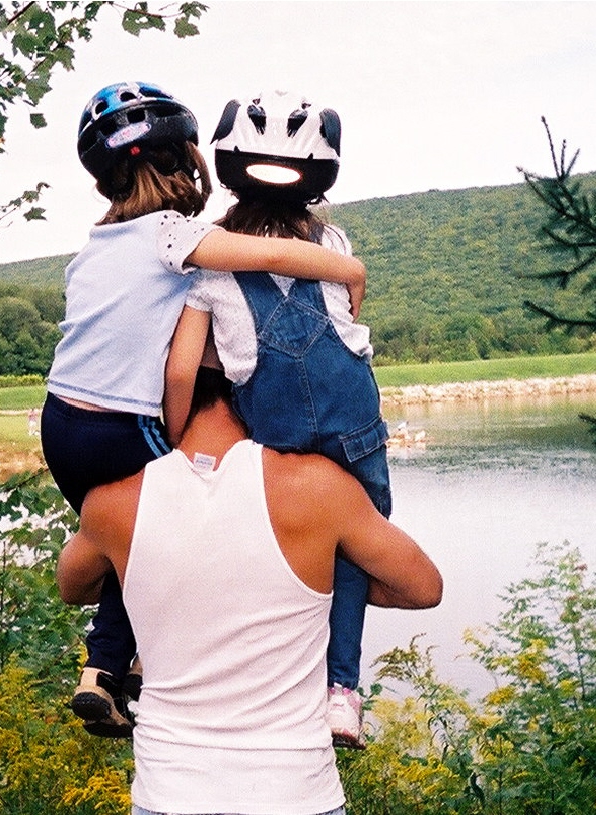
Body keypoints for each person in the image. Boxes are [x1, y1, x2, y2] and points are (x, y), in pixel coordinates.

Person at [41, 81, 368, 737]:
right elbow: (272, 254)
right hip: (121, 422)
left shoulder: (89, 250)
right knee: (166, 528)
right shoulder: (172, 233)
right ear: (182, 162)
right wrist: (348, 271)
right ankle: (109, 667)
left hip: (59, 424)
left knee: (128, 545)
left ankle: (109, 668)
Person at [56, 353, 442, 815]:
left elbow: (73, 587)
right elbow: (423, 587)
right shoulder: (318, 488)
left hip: (169, 790)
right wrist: (312, 587)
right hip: (294, 791)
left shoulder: (113, 505)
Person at [163, 89, 388, 747]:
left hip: (277, 435)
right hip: (355, 420)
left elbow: (181, 371)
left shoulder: (211, 260)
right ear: (315, 184)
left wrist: (175, 439)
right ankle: (339, 692)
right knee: (355, 544)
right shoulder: (334, 240)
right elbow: (350, 295)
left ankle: (243, 679)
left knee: (275, 546)